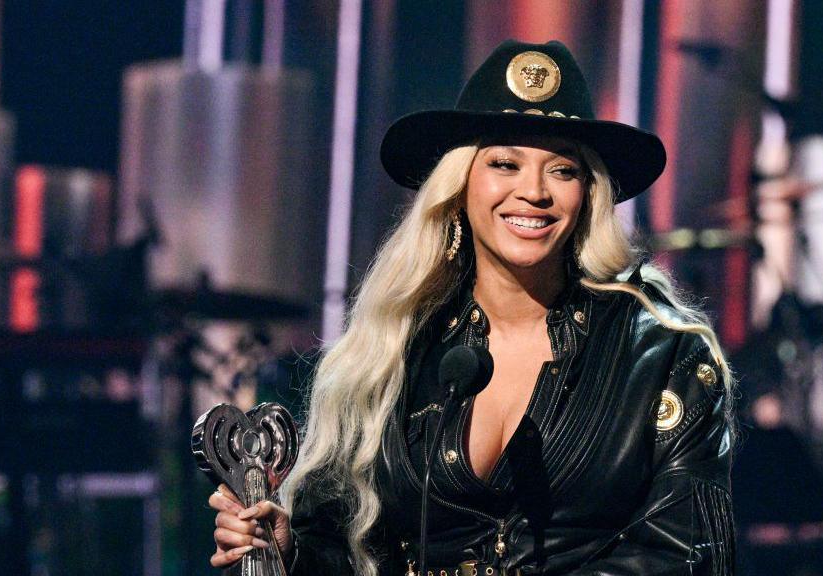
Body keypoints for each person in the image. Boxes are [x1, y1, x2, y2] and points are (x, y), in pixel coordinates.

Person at [208, 39, 735, 576]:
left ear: (589, 195)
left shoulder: (664, 353)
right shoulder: (392, 345)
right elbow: (344, 543)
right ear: (459, 186)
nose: (533, 191)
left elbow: (689, 556)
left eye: (563, 170)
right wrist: (289, 550)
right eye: (505, 164)